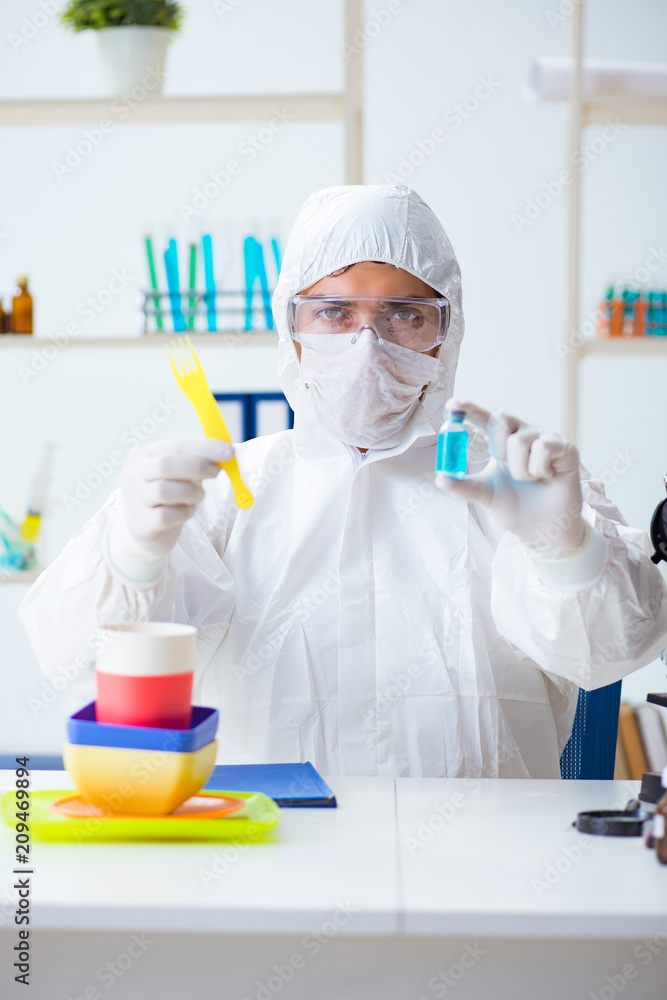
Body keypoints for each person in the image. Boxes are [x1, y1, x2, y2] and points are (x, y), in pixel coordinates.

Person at [20, 185, 667, 778]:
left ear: (446, 331)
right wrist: (132, 554)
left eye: (404, 315)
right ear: (291, 328)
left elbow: (607, 657)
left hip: (485, 871)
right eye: (333, 313)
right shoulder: (222, 494)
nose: (367, 345)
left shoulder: (516, 482)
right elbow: (78, 667)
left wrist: (566, 551)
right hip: (267, 862)